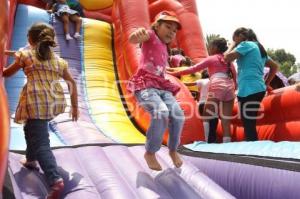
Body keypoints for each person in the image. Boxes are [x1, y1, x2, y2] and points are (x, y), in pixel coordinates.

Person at [3, 22, 78, 199]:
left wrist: (8, 58)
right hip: (52, 102)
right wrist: (75, 106)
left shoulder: (25, 55)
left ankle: (55, 179)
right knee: (32, 130)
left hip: (36, 102)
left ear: (30, 39)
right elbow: (71, 83)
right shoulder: (58, 61)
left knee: (41, 142)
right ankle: (30, 159)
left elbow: (6, 73)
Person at [127, 11, 185, 171]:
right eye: (168, 27)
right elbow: (133, 39)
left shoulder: (166, 48)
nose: (171, 32)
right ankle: (150, 152)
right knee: (161, 112)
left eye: (174, 31)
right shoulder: (150, 35)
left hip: (161, 86)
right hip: (145, 84)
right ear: (157, 25)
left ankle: (173, 150)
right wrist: (136, 35)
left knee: (178, 115)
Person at [168, 38, 237, 143]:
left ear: (215, 48)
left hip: (217, 85)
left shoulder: (212, 58)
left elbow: (193, 69)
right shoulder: (228, 61)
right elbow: (235, 76)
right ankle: (227, 144)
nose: (208, 48)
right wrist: (235, 87)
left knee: (206, 115)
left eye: (209, 46)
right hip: (229, 88)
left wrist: (172, 73)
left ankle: (204, 141)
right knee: (226, 119)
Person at [224, 27, 278, 141]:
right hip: (256, 88)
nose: (234, 41)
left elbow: (227, 57)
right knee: (249, 123)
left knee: (248, 123)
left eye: (235, 38)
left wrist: (232, 45)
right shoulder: (259, 49)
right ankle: (252, 148)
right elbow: (275, 66)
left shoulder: (246, 44)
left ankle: (253, 152)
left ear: (241, 36)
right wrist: (266, 82)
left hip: (249, 89)